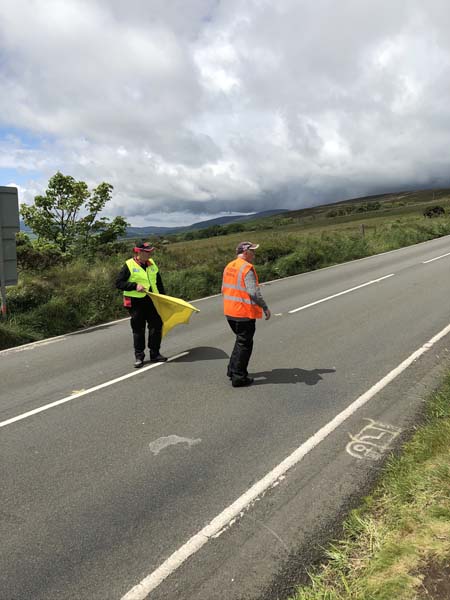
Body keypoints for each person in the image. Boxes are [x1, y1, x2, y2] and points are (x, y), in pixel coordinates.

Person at [222, 241, 271, 387]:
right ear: (245, 252)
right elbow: (253, 292)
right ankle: (239, 377)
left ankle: (232, 370)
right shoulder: (246, 268)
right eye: (252, 251)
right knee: (245, 344)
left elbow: (223, 288)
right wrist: (265, 307)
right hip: (243, 312)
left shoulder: (229, 266)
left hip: (230, 311)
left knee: (240, 341)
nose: (254, 254)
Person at [116, 241, 167, 368]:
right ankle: (139, 357)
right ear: (139, 252)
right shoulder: (129, 265)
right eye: (147, 252)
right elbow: (119, 283)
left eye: (151, 251)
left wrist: (164, 298)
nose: (150, 254)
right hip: (136, 302)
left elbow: (158, 282)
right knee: (139, 329)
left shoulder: (152, 263)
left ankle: (155, 354)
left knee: (156, 326)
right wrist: (134, 286)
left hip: (152, 299)